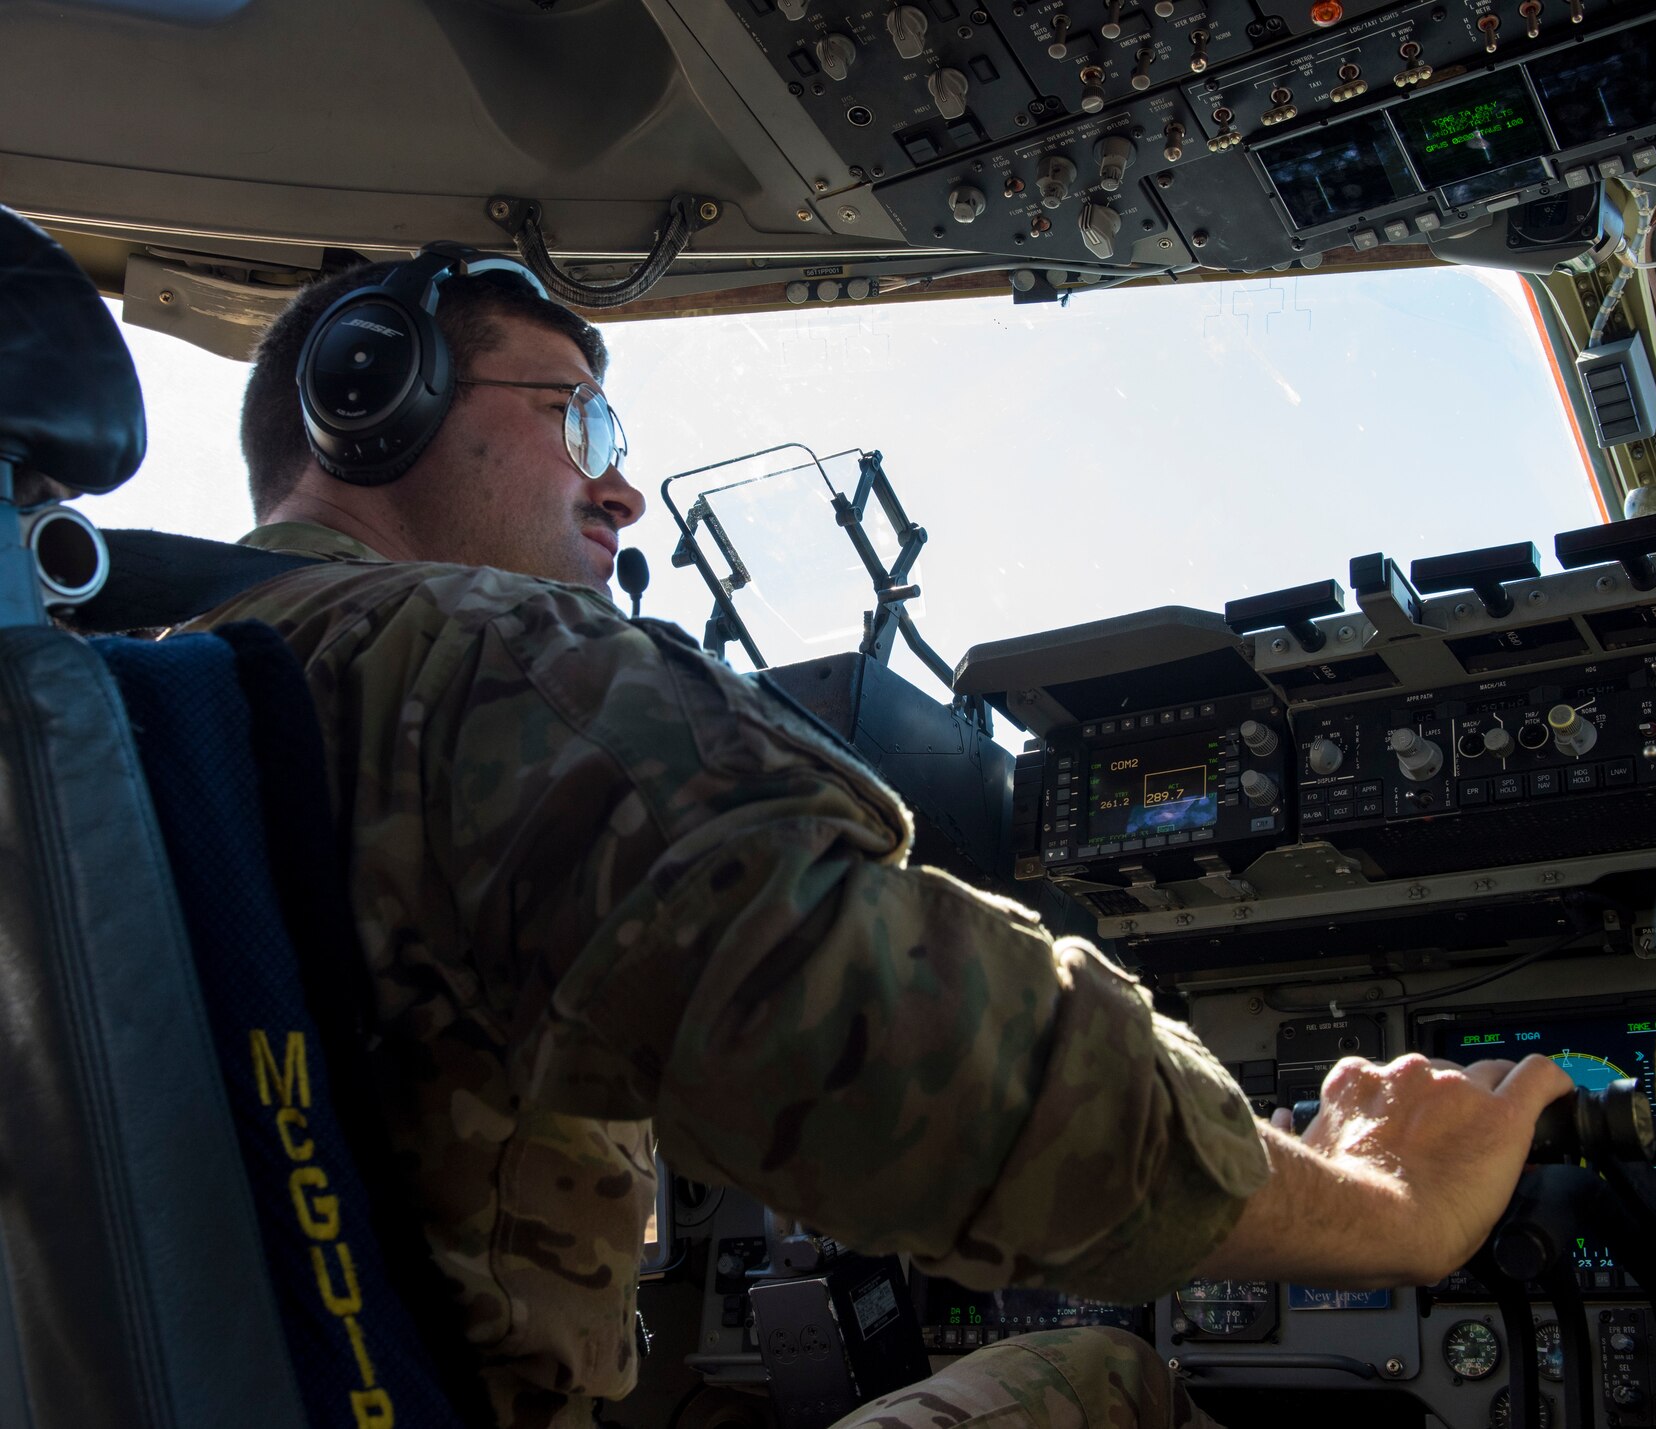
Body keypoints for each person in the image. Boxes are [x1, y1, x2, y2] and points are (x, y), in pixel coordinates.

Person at [192, 254, 1575, 1429]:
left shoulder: (142, 691)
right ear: (368, 398)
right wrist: (1381, 1201)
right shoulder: (477, 662)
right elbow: (935, 1052)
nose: (621, 491)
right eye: (582, 426)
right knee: (1101, 1382)